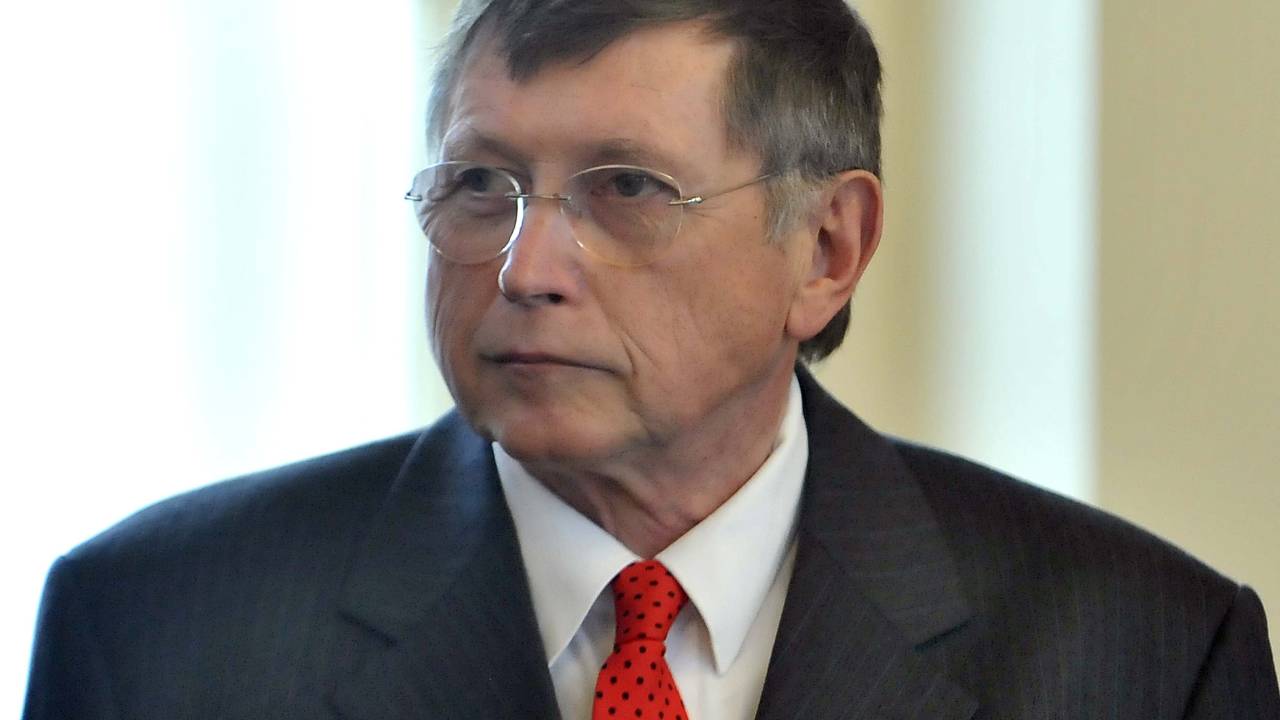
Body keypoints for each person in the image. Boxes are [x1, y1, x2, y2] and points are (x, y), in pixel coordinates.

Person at [23, 1, 1279, 718]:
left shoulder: (1143, 656)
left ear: (826, 248)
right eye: (479, 185)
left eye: (625, 188)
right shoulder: (156, 632)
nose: (523, 268)